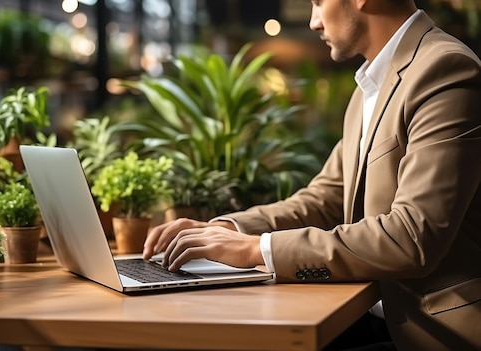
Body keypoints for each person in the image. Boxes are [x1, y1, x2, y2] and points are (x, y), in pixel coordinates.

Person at [142, 0, 481, 350]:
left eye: (318, 2)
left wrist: (255, 250)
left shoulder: (444, 69)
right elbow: (324, 199)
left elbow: (411, 236)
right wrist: (227, 229)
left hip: (438, 333)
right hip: (381, 317)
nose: (314, 22)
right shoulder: (372, 84)